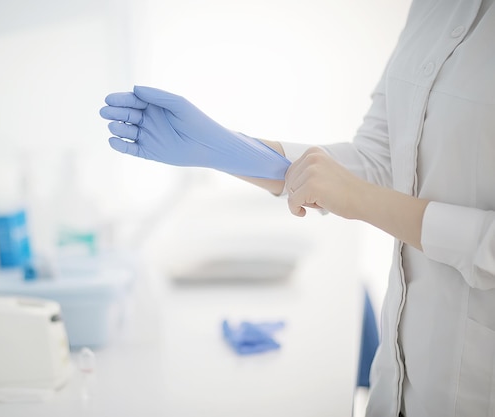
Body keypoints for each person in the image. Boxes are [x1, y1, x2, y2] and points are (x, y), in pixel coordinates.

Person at [99, 0, 495, 415]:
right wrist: (226, 149)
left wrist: (360, 199)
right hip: (395, 387)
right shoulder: (434, 8)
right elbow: (380, 159)